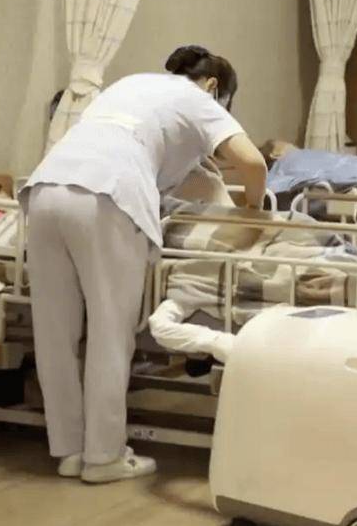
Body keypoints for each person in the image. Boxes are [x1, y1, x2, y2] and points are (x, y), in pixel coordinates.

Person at [20, 45, 268, 483]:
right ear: (214, 86)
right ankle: (104, 457)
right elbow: (252, 163)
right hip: (107, 197)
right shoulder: (197, 98)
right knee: (110, 332)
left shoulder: (130, 85)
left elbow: (167, 162)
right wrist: (254, 212)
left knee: (55, 333)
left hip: (44, 190)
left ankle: (70, 451)